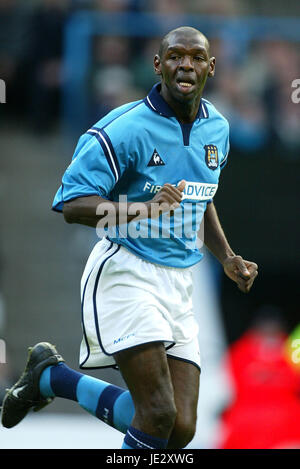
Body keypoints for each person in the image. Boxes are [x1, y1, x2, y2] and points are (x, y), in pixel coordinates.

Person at [1, 26, 258, 449]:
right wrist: (140, 208)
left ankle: (50, 377)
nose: (185, 65)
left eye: (196, 57)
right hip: (126, 270)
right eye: (175, 56)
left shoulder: (218, 129)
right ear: (157, 65)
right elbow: (71, 204)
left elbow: (201, 196)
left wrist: (227, 255)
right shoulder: (124, 127)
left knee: (180, 430)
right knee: (157, 415)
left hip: (179, 281)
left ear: (212, 67)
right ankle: (52, 378)